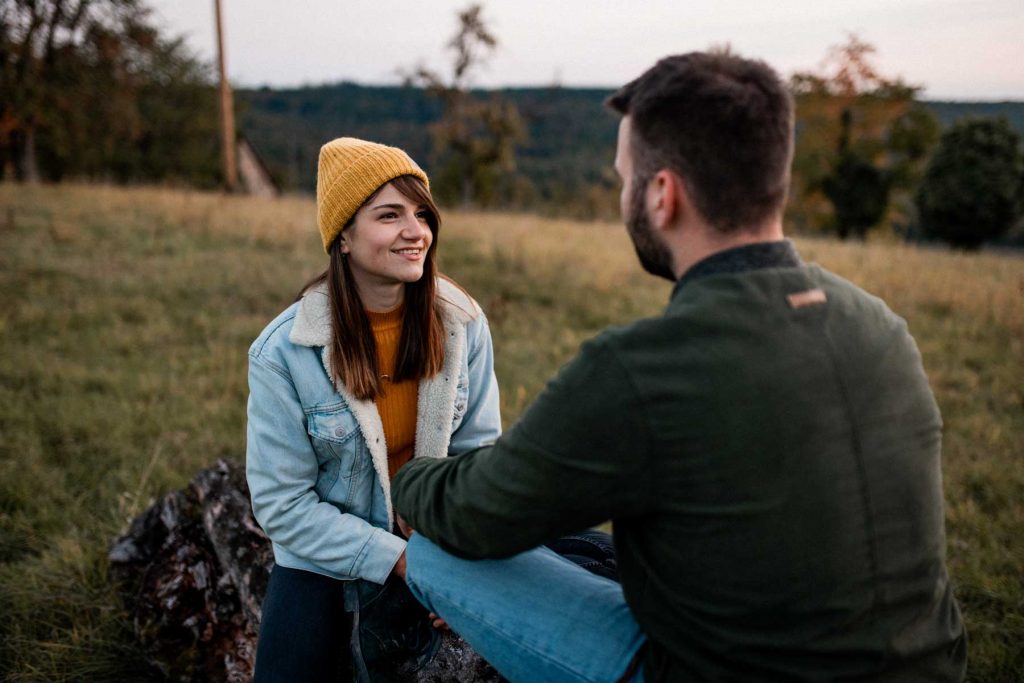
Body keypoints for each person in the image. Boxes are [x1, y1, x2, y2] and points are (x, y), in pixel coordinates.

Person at [391, 52, 967, 682]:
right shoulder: (880, 326)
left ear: (662, 194)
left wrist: (411, 480)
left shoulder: (641, 368)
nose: (622, 196)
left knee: (439, 559)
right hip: (929, 667)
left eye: (624, 178)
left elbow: (478, 513)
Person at [245, 137, 502, 682]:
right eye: (390, 216)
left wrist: (451, 559)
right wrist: (403, 562)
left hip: (434, 542)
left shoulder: (461, 324)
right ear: (343, 236)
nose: (416, 232)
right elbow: (282, 505)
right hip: (325, 560)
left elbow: (478, 456)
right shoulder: (284, 352)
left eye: (421, 214)